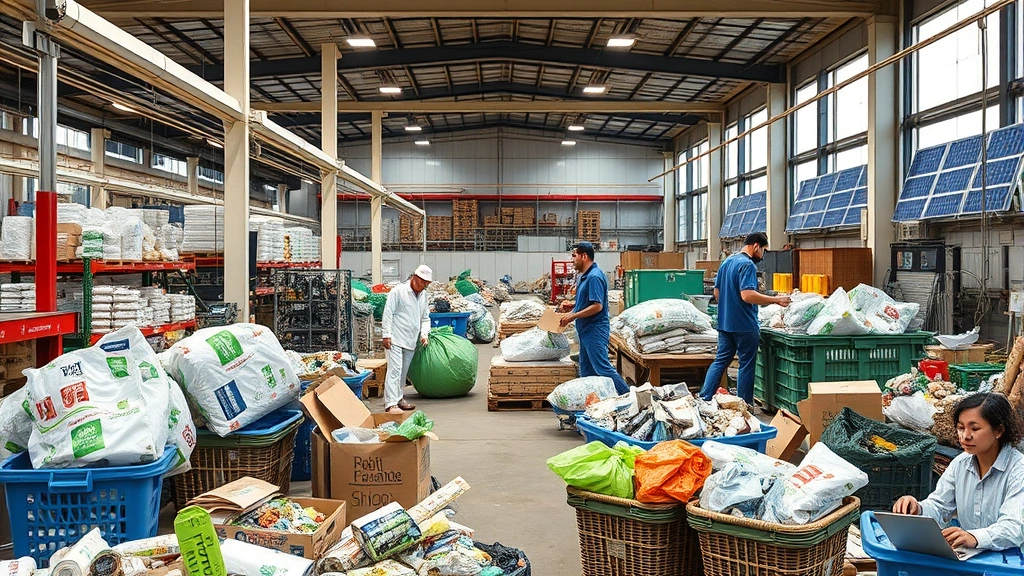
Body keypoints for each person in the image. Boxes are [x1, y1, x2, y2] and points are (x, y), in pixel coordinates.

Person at [892, 393, 1024, 551]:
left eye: (974, 428)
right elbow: (939, 506)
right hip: (974, 558)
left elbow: (1014, 527)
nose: (965, 436)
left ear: (998, 431)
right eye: (961, 428)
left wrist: (975, 537)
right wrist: (917, 508)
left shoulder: (1018, 470)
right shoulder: (960, 464)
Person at [699, 233, 790, 404]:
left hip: (725, 324)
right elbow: (747, 296)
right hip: (744, 325)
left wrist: (730, 305)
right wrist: (776, 299)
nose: (762, 256)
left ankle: (704, 398)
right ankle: (745, 405)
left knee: (720, 361)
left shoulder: (727, 263)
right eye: (763, 250)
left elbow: (717, 294)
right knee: (746, 365)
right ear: (756, 246)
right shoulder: (747, 265)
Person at [559, 242, 629, 394]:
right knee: (586, 371)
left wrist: (572, 316)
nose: (572, 260)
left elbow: (597, 306)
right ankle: (591, 403)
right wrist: (572, 306)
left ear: (584, 256)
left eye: (574, 256)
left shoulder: (594, 277)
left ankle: (629, 397)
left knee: (602, 368)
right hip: (585, 330)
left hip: (594, 330)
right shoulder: (584, 276)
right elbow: (588, 302)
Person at [381, 264, 433, 414]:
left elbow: (425, 318)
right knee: (395, 370)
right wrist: (386, 334)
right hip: (395, 338)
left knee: (403, 372)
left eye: (426, 284)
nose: (424, 286)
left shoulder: (423, 296)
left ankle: (398, 399)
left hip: (410, 339)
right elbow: (388, 313)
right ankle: (390, 404)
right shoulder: (398, 292)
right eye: (423, 282)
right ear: (415, 278)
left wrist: (424, 334)